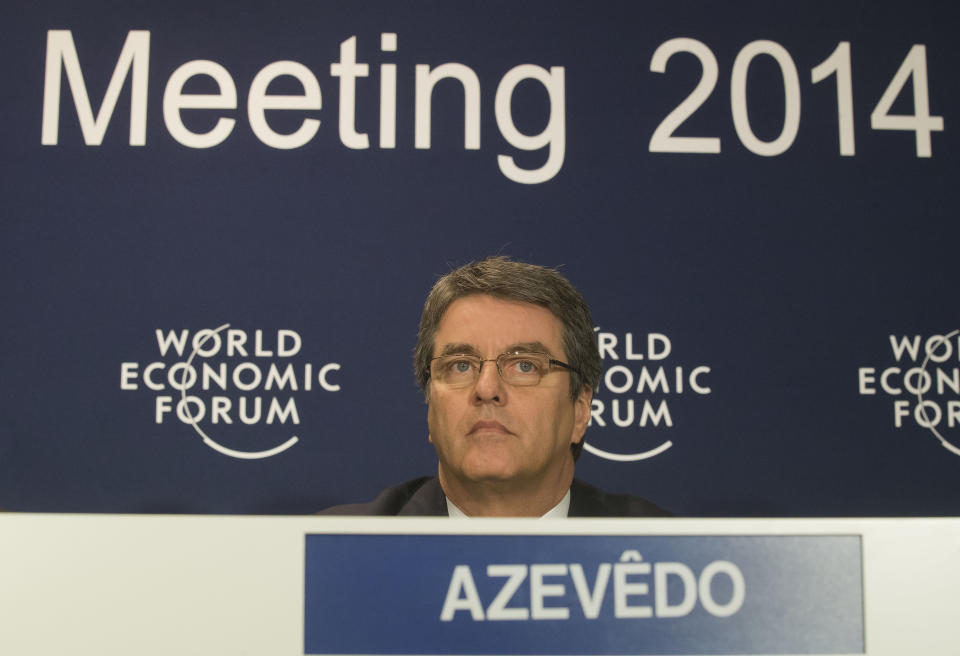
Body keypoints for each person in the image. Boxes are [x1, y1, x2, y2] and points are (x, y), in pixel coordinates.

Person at [322, 256, 669, 517]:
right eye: (460, 366)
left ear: (580, 409)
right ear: (430, 407)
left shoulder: (666, 556)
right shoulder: (329, 551)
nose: (486, 388)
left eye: (524, 366)